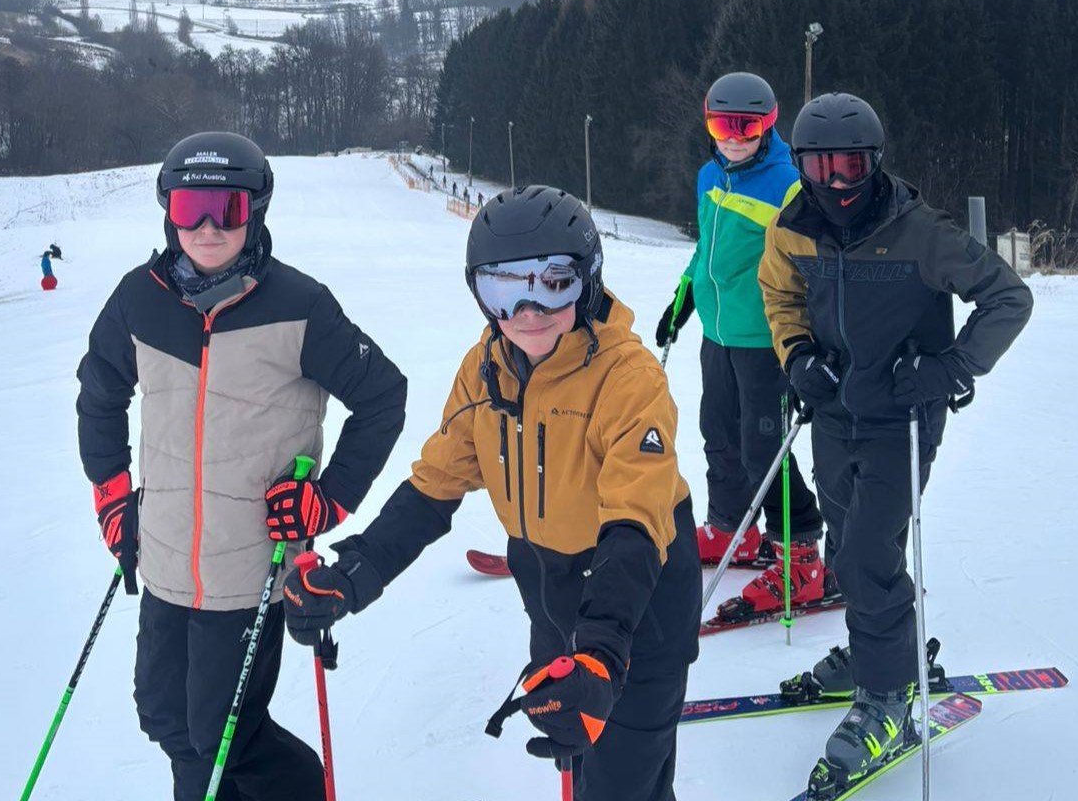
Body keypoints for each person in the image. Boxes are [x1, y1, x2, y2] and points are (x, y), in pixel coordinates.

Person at [280, 186, 701, 801]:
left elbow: (635, 519)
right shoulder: (486, 368)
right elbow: (435, 486)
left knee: (624, 785)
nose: (527, 310)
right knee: (582, 772)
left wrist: (605, 654)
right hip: (551, 597)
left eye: (552, 283)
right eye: (503, 289)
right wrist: (355, 572)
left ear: (587, 281)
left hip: (638, 602)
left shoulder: (628, 377)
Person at [75, 130, 407, 801]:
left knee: (220, 735)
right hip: (164, 554)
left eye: (223, 209)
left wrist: (327, 501)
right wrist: (114, 499)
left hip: (249, 566)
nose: (204, 227)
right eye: (188, 208)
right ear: (167, 211)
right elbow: (99, 393)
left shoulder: (300, 306)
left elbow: (382, 398)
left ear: (253, 211)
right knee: (164, 715)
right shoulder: (138, 301)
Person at [757, 93, 1032, 789]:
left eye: (851, 166)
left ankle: (886, 699)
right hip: (833, 412)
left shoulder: (917, 231)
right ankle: (878, 651)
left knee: (869, 553)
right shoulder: (792, 230)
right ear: (802, 166)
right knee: (847, 548)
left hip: (903, 418)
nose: (838, 183)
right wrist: (797, 358)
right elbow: (782, 298)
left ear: (874, 163)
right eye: (821, 167)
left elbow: (1007, 297)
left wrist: (948, 368)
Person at [654, 71, 826, 618]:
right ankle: (734, 528)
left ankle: (799, 552)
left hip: (765, 341)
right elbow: (706, 249)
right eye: (720, 125)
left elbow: (810, 269)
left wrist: (810, 341)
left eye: (745, 127)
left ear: (768, 126)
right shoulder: (710, 175)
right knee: (717, 434)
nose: (732, 137)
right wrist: (683, 297)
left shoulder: (787, 185)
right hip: (717, 334)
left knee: (763, 447)